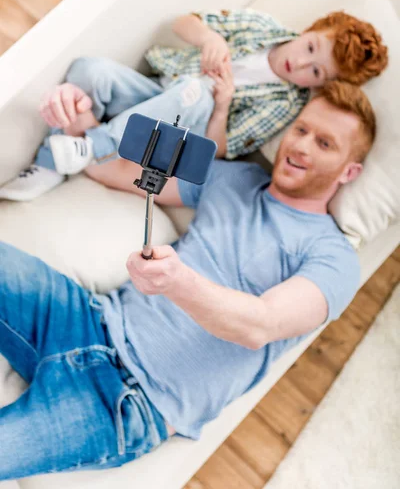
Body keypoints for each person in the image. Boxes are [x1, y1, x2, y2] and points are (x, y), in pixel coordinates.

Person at [0, 81, 375, 480]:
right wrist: (79, 122)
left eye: (324, 143)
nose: (301, 146)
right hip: (85, 318)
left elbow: (260, 325)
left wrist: (178, 281)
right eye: (301, 130)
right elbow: (122, 172)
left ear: (349, 171)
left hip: (129, 402)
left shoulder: (334, 259)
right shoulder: (236, 179)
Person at [0, 9, 387, 201]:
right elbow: (185, 21)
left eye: (316, 73)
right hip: (153, 92)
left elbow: (218, 151)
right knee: (89, 70)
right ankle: (66, 156)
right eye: (309, 48)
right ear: (310, 30)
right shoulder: (259, 26)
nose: (300, 65)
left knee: (198, 91)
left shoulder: (285, 105)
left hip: (182, 129)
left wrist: (222, 105)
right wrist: (208, 39)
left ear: (322, 84)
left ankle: (81, 150)